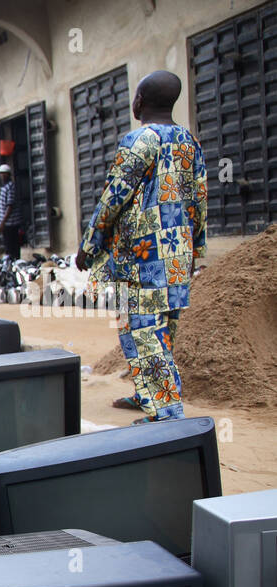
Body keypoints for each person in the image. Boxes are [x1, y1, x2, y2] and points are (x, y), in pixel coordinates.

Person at [77, 70, 206, 423]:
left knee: (142, 329)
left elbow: (112, 197)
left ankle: (165, 412)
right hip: (177, 254)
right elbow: (199, 200)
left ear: (139, 101)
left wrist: (89, 244)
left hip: (143, 256)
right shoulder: (189, 142)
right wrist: (196, 249)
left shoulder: (138, 141)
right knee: (163, 329)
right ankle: (146, 394)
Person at [0, 163, 24, 261]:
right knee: (8, 247)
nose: (2, 176)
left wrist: (3, 222)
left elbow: (10, 206)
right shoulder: (5, 187)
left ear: (8, 175)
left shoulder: (10, 187)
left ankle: (13, 263)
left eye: (4, 174)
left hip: (10, 224)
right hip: (6, 224)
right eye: (1, 174)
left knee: (12, 247)